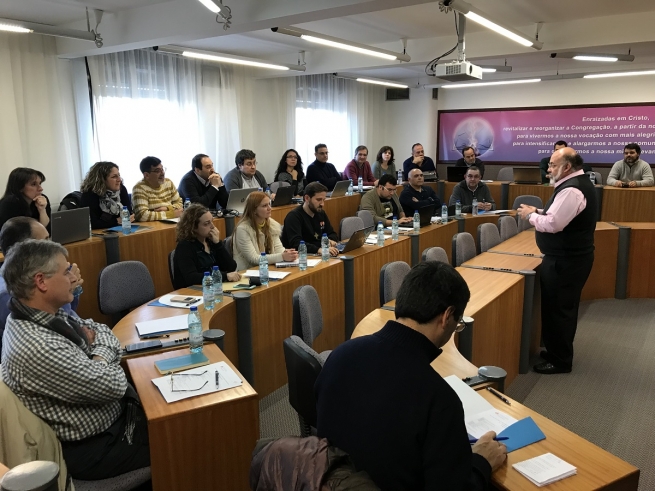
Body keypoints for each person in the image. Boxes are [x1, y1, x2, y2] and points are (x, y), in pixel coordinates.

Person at [315, 261, 507, 490]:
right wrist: (481, 462)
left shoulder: (340, 355)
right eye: (458, 324)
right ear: (447, 317)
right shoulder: (438, 399)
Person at [1, 239, 150, 480]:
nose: (73, 277)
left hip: (116, 422)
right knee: (185, 435)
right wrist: (100, 359)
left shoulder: (41, 313)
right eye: (66, 271)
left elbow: (99, 328)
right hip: (100, 445)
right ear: (41, 282)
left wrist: (96, 356)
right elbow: (115, 385)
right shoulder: (38, 346)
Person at [517, 147, 597, 374]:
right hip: (568, 259)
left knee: (560, 311)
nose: (548, 168)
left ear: (567, 167)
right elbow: (561, 214)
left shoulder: (572, 190)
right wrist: (539, 209)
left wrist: (531, 216)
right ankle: (555, 352)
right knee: (557, 308)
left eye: (552, 165)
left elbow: (554, 224)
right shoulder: (574, 185)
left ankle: (560, 360)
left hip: (567, 261)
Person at [0, 217, 83, 356]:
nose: (52, 246)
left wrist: (70, 290)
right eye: (45, 241)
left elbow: (70, 318)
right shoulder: (8, 293)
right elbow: (57, 327)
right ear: (26, 250)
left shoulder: (40, 274)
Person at [172, 204, 240, 289]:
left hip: (214, 288)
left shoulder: (211, 241)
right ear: (193, 227)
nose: (212, 226)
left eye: (212, 221)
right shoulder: (184, 247)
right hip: (194, 292)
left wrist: (218, 244)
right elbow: (191, 278)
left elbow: (231, 267)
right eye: (206, 224)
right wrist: (224, 276)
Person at [232, 192, 298, 270]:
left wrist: (289, 254)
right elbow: (254, 259)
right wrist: (282, 256)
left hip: (268, 268)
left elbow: (279, 249)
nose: (269, 208)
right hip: (248, 272)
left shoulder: (272, 225)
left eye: (269, 204)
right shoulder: (242, 229)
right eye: (264, 206)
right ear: (253, 210)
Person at [281, 182, 339, 256]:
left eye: (323, 200)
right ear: (307, 198)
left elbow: (332, 233)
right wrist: (318, 249)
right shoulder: (293, 216)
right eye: (318, 200)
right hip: (300, 258)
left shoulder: (320, 213)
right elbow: (296, 243)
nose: (322, 204)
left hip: (318, 253)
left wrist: (329, 240)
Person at [80, 161, 134, 229]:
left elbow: (128, 213)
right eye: (114, 177)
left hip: (121, 230)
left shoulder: (121, 189)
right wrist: (117, 221)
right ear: (102, 179)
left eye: (119, 175)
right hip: (99, 234)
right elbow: (92, 223)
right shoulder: (90, 194)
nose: (119, 180)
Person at [131, 156, 183, 221]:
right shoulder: (139, 188)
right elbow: (142, 215)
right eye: (157, 171)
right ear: (146, 175)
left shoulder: (168, 182)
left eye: (162, 169)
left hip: (171, 222)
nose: (162, 173)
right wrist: (171, 214)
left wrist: (167, 208)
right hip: (152, 227)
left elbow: (179, 203)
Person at [0, 168, 51, 232]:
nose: (40, 188)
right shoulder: (9, 204)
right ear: (20, 187)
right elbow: (22, 235)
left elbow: (46, 231)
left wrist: (42, 210)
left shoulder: (42, 200)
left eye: (40, 183)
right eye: (34, 184)